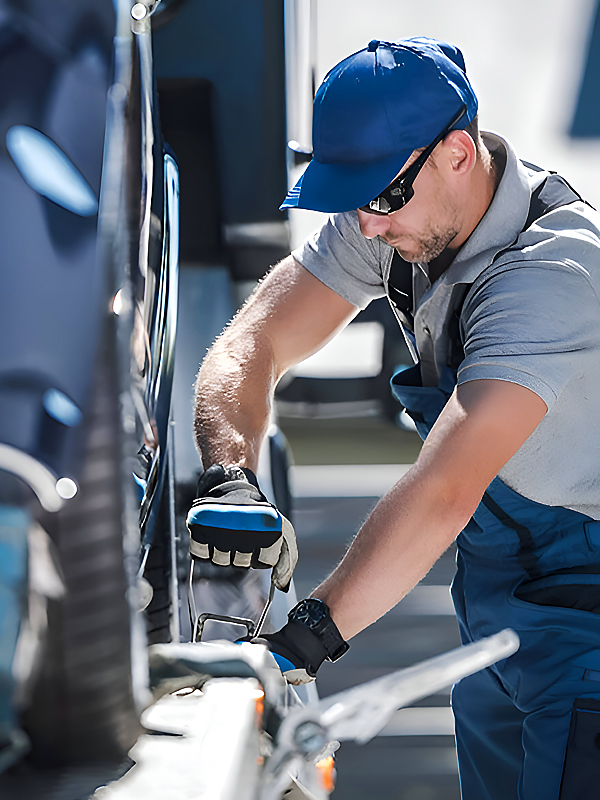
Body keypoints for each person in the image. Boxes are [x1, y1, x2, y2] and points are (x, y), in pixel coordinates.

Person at [187, 37, 600, 799]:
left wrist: (305, 638)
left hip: (588, 635)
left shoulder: (552, 276)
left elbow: (446, 489)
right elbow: (252, 341)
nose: (366, 226)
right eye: (352, 200)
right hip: (498, 626)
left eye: (380, 197)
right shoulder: (402, 218)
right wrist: (233, 478)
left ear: (456, 153)